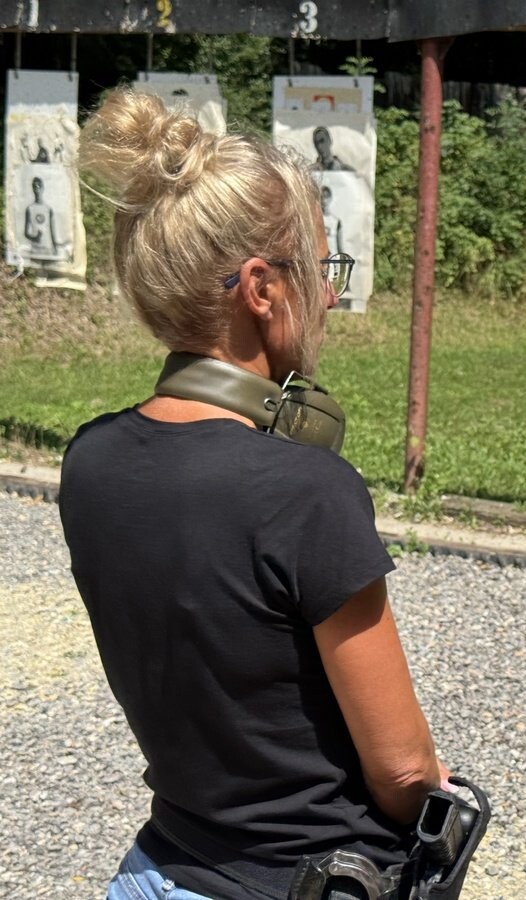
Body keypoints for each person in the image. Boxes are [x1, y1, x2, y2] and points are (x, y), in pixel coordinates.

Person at [60, 89, 446, 900]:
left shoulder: (89, 461)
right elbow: (405, 769)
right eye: (320, 270)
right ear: (262, 290)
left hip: (160, 869)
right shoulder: (308, 490)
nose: (331, 296)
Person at [24, 175, 64, 259]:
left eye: (39, 186)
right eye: (34, 186)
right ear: (32, 189)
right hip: (35, 251)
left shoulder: (48, 209)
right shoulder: (30, 209)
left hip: (48, 250)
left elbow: (53, 231)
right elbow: (26, 233)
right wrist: (35, 238)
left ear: (43, 188)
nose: (37, 188)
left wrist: (55, 247)